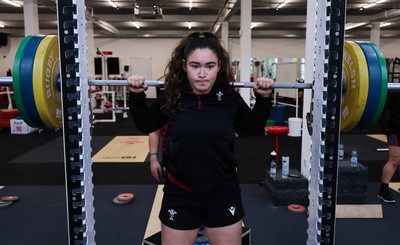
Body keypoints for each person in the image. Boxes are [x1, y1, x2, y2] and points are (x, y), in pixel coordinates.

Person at [127, 31, 274, 245]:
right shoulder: (171, 97)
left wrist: (263, 99)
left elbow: (252, 128)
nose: (202, 74)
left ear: (219, 67)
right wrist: (136, 95)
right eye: (195, 66)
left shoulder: (230, 99)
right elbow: (147, 125)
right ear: (185, 65)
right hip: (180, 193)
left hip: (223, 192)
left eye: (209, 66)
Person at [377, 91, 400, 203]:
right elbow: (383, 110)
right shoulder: (395, 91)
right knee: (395, 160)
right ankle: (383, 190)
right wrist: (384, 128)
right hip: (396, 130)